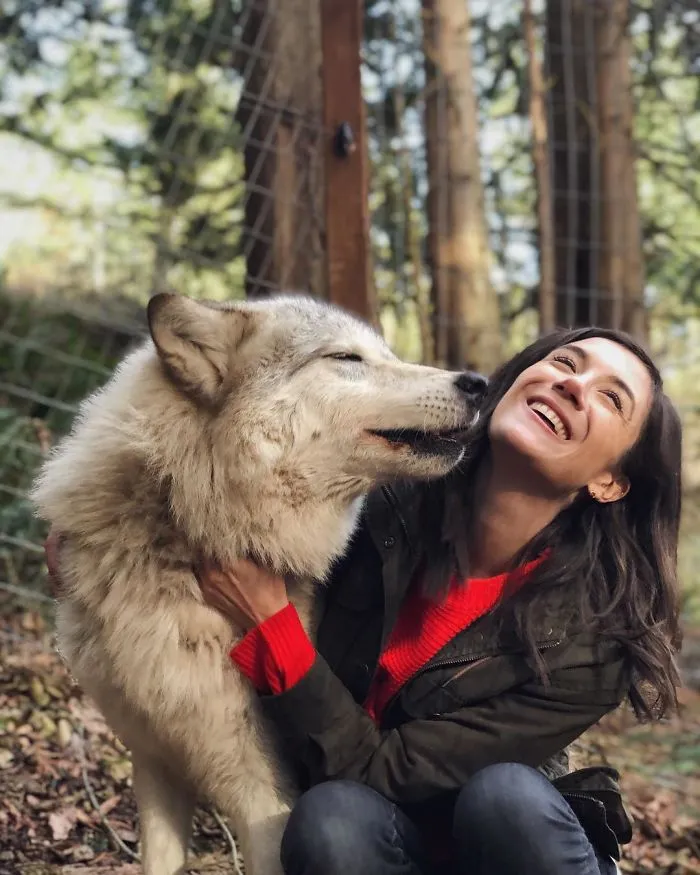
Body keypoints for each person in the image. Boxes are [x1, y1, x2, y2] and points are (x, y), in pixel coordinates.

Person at [195, 326, 683, 875]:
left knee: (506, 799)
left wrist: (271, 623)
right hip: (388, 840)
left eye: (610, 397)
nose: (572, 385)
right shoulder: (377, 506)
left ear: (610, 482)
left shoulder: (596, 643)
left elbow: (382, 767)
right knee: (332, 820)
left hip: (510, 852)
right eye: (566, 363)